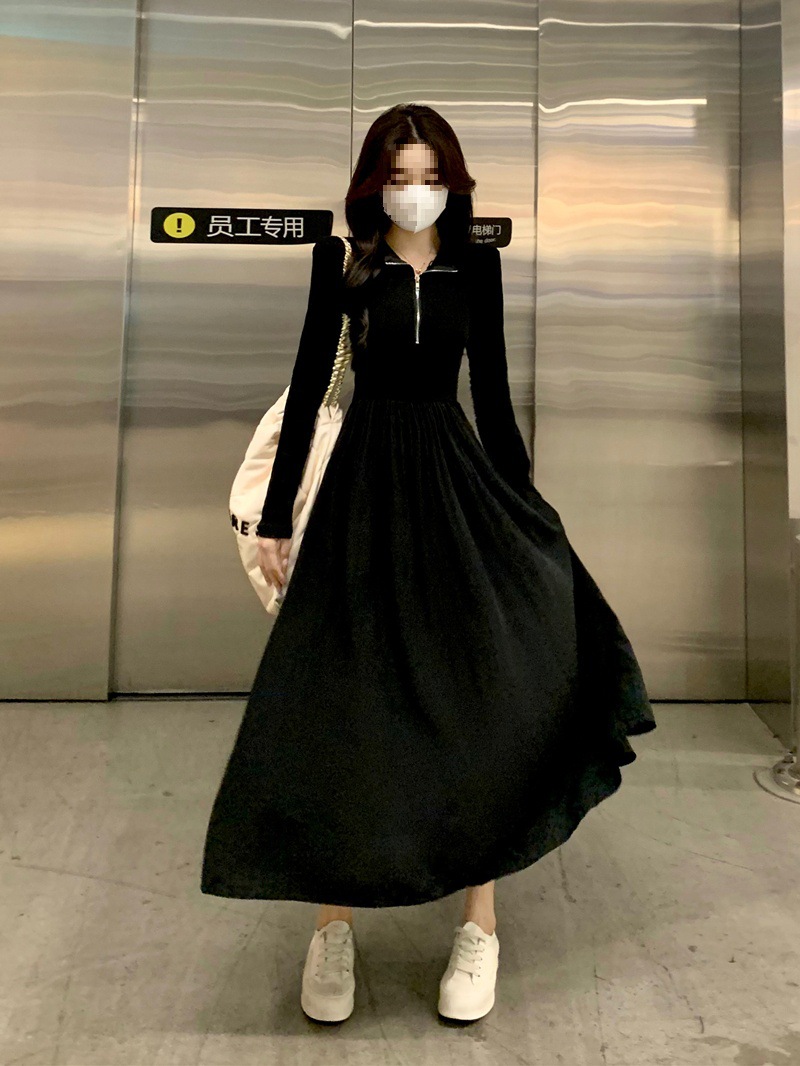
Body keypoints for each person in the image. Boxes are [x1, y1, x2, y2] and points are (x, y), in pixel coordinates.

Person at [201, 103, 656, 1025]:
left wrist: (527, 511)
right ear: (374, 184)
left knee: (473, 693)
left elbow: (492, 394)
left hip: (453, 483)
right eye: (399, 175)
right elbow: (308, 389)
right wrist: (278, 519)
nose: (415, 191)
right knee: (342, 700)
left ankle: (479, 923)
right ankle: (332, 925)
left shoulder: (477, 265)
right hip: (361, 490)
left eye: (429, 174)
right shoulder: (341, 263)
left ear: (453, 179)